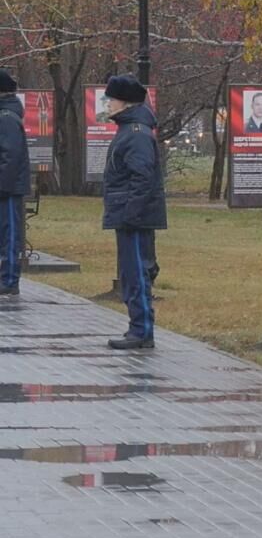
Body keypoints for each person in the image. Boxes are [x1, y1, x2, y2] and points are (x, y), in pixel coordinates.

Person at [100, 74, 166, 349]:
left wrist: (130, 213)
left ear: (125, 103)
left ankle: (142, 330)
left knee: (137, 272)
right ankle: (137, 327)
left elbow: (142, 178)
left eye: (111, 100)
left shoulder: (137, 133)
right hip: (128, 215)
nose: (107, 105)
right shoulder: (129, 129)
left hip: (135, 218)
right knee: (131, 272)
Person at [0, 71, 31, 296]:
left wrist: (3, 185)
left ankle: (9, 279)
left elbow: (10, 154)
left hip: (7, 188)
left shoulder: (7, 116)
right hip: (6, 185)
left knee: (10, 234)